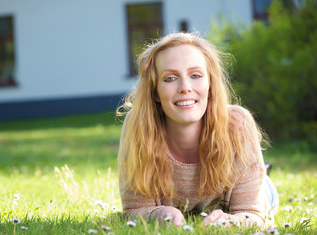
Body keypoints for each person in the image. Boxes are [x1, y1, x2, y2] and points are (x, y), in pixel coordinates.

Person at [117, 32, 279, 227]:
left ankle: (262, 171)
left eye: (195, 75)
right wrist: (158, 214)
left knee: (262, 189)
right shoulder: (138, 125)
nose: (185, 87)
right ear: (155, 91)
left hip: (257, 191)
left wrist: (232, 221)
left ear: (210, 85)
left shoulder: (237, 124)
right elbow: (133, 210)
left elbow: (252, 214)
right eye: (170, 78)